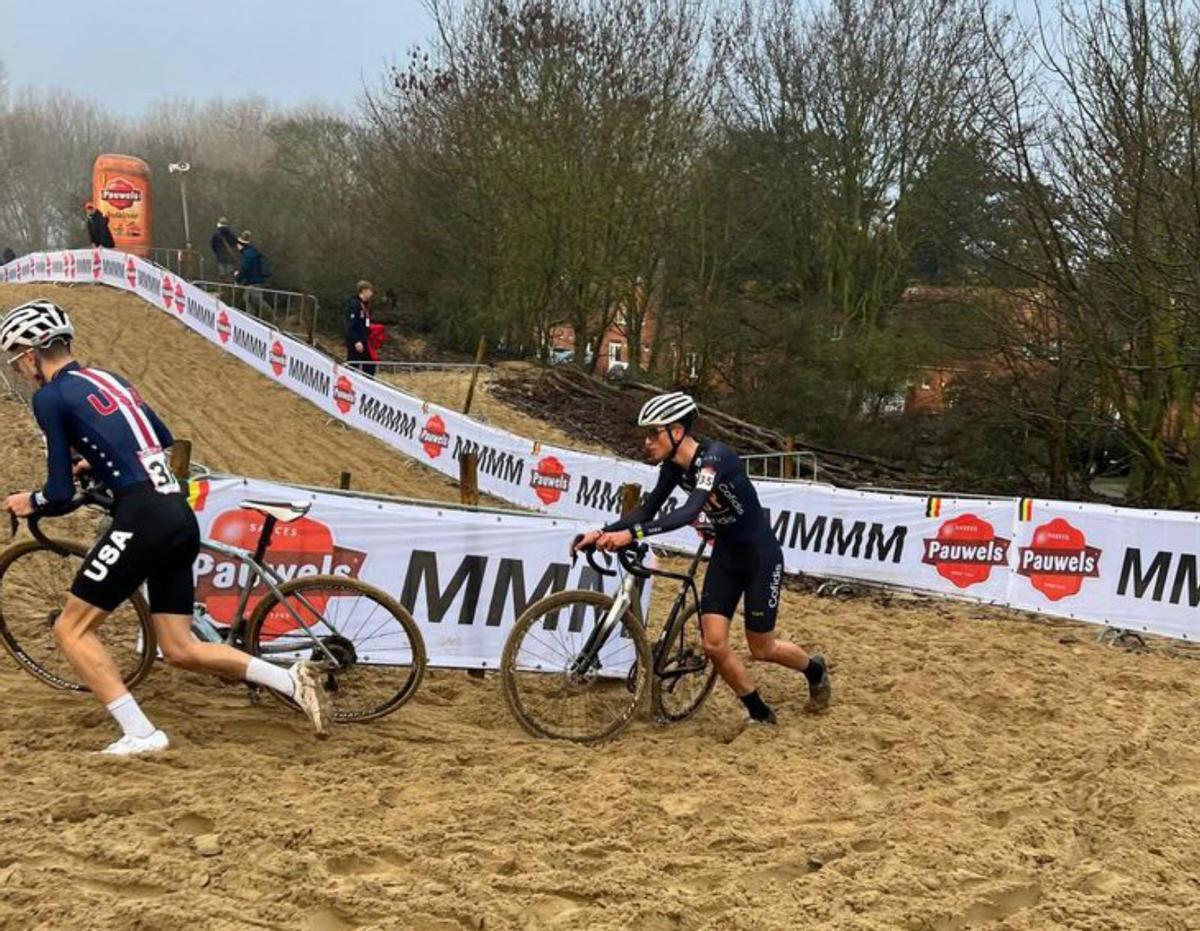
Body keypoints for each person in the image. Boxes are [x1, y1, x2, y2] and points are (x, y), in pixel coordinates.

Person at [1, 298, 331, 755]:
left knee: (70, 629)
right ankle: (289, 680)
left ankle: (140, 732)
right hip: (176, 513)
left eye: (16, 358)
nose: (18, 369)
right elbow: (157, 436)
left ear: (33, 353)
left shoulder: (50, 397)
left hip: (142, 517)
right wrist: (96, 464)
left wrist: (29, 501)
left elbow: (56, 496)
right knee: (179, 647)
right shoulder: (109, 379)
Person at [572, 391, 831, 725]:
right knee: (713, 644)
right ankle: (759, 711)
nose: (646, 441)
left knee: (761, 648)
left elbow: (689, 510)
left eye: (653, 432)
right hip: (726, 555)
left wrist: (632, 536)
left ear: (676, 431)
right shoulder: (673, 468)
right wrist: (601, 531)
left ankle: (815, 669)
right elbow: (647, 510)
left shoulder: (715, 458)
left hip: (760, 557)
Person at [233, 231, 270, 317]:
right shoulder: (252, 251)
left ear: (240, 244)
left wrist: (237, 277)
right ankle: (251, 321)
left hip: (253, 282)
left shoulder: (248, 254)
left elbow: (245, 269)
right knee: (248, 300)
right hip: (253, 282)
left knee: (256, 301)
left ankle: (272, 318)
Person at [345, 280, 375, 376]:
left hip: (365, 340)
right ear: (363, 290)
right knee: (353, 365)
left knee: (370, 365)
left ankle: (368, 385)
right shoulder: (354, 304)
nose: (371, 293)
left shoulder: (366, 305)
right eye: (370, 291)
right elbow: (351, 325)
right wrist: (356, 341)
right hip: (356, 342)